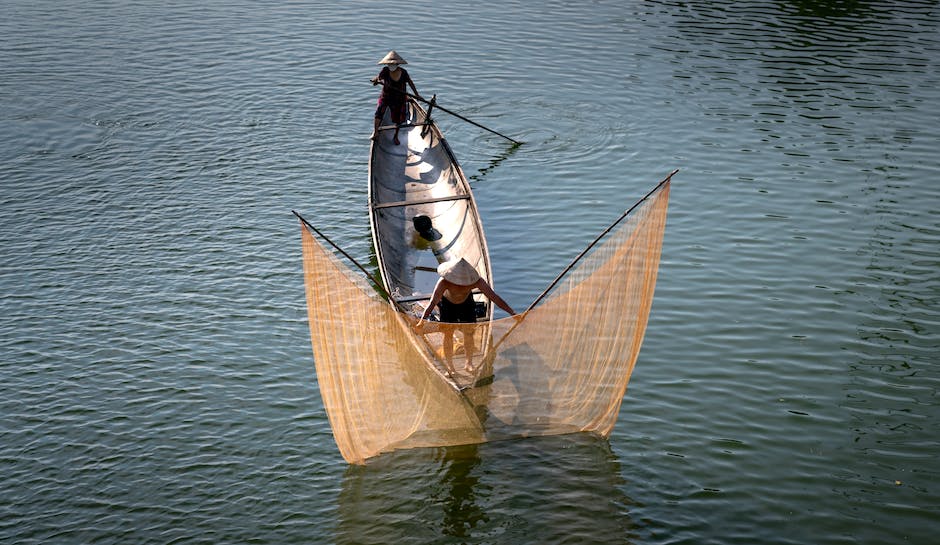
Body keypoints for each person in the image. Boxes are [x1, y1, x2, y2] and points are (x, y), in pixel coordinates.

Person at [416, 258, 516, 375]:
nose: (460, 284)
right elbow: (433, 302)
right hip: (448, 305)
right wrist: (422, 321)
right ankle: (450, 367)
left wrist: (512, 313)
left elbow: (494, 297)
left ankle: (468, 363)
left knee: (469, 333)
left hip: (466, 304)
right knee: (448, 334)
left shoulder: (476, 281)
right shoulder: (444, 282)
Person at [371, 50, 421, 145]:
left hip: (400, 98)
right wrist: (376, 80)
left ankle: (396, 136)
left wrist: (416, 94)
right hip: (386, 96)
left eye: (393, 64)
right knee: (379, 112)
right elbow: (378, 78)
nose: (391, 66)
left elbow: (410, 82)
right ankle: (376, 132)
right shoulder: (385, 71)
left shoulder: (403, 73)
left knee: (399, 118)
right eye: (390, 64)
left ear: (397, 64)